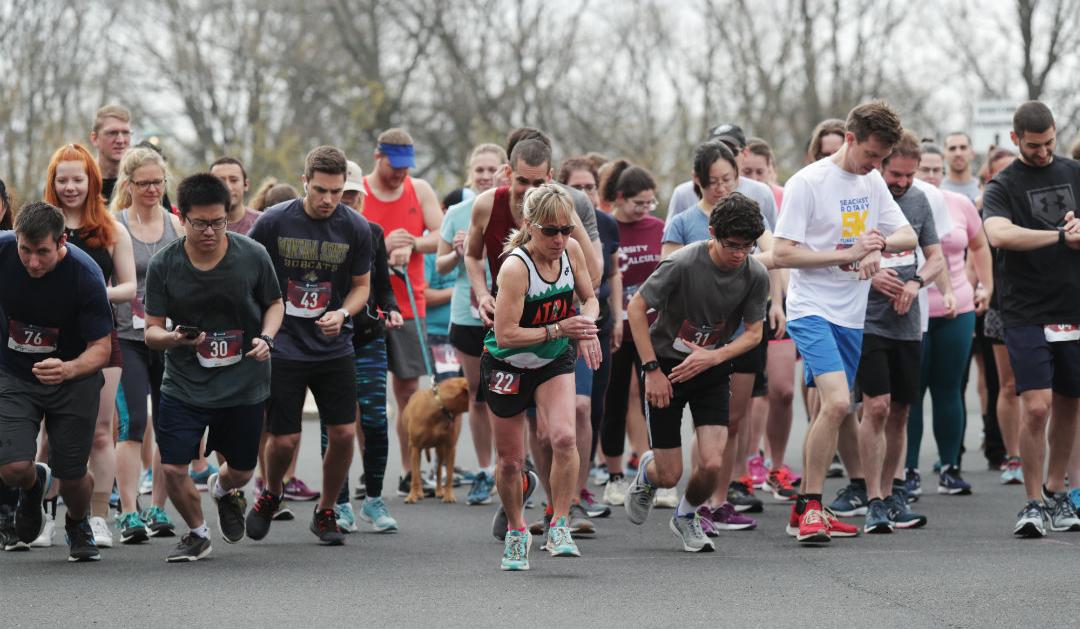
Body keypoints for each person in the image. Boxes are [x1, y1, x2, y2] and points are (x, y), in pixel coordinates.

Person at [773, 100, 916, 543]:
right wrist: (846, 254)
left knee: (838, 408)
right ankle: (812, 506)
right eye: (871, 155)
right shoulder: (808, 183)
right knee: (836, 403)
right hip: (812, 307)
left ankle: (805, 510)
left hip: (852, 315)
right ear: (850, 138)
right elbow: (782, 254)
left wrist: (878, 247)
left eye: (882, 159)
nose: (876, 166)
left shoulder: (872, 181)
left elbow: (908, 234)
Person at [467, 131, 601, 541]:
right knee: (510, 460)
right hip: (508, 353)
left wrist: (585, 326)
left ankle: (560, 519)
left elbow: (591, 291)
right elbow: (505, 333)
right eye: (550, 231)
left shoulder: (568, 237)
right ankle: (516, 524)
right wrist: (482, 293)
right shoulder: (509, 255)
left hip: (552, 353)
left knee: (562, 433)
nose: (559, 239)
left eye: (565, 230)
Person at [144, 174, 283, 562]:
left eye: (218, 222)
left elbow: (275, 303)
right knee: (173, 468)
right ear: (181, 217)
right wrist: (173, 338)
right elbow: (151, 330)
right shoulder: (164, 264)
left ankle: (224, 492)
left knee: (240, 472)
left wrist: (267, 338)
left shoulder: (252, 254)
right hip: (186, 382)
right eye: (200, 223)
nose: (210, 231)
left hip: (243, 382)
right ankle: (197, 532)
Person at [623, 193, 769, 551]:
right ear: (712, 232)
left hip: (711, 366)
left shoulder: (755, 273)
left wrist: (714, 357)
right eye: (732, 245)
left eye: (747, 247)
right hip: (666, 367)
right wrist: (651, 369)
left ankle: (687, 515)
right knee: (669, 474)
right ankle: (648, 473)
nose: (739, 254)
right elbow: (637, 307)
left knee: (712, 463)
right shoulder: (683, 263)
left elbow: (754, 333)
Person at [246, 146, 372, 546]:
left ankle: (327, 509)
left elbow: (361, 287)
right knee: (283, 439)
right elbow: (247, 271)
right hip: (285, 344)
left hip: (333, 347)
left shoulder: (355, 227)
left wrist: (343, 315)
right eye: (320, 190)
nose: (328, 200)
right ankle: (271, 492)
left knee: (344, 434)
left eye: (336, 191)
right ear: (304, 182)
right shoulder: (273, 222)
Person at [662, 140, 785, 526]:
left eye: (728, 179)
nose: (721, 187)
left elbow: (774, 255)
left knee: (734, 418)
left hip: (744, 325)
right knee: (706, 419)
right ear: (698, 181)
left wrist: (776, 302)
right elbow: (667, 274)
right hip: (695, 335)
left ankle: (719, 497)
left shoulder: (750, 214)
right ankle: (698, 498)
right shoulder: (683, 221)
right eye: (713, 181)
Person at [981, 101, 1080, 537]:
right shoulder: (1002, 184)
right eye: (1034, 145)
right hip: (1024, 309)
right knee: (1036, 405)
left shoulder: (1074, 172)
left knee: (1069, 401)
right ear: (1015, 138)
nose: (1043, 153)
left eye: (1049, 143)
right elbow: (998, 233)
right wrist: (1060, 235)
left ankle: (1057, 492)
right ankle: (1032, 502)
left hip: (1072, 305)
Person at [0, 201, 114, 562]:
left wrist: (68, 369)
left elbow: (102, 349)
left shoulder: (85, 273)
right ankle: (34, 486)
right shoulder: (2, 252)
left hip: (72, 378)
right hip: (15, 373)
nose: (33, 262)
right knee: (13, 468)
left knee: (73, 474)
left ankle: (77, 523)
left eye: (43, 252)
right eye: (25, 250)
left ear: (61, 242)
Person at [852, 130, 947, 533]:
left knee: (901, 411)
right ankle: (871, 498)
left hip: (907, 324)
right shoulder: (865, 197)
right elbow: (840, 256)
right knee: (875, 406)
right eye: (896, 174)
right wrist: (871, 277)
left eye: (909, 176)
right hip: (866, 319)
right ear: (882, 164)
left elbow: (936, 258)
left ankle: (891, 495)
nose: (903, 182)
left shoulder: (920, 200)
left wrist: (916, 283)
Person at [44, 144, 136, 546]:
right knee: (49, 433)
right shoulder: (42, 224)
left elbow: (130, 286)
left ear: (91, 181)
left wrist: (93, 293)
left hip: (101, 337)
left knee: (101, 432)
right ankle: (46, 516)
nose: (70, 187)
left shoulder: (112, 228)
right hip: (50, 341)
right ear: (53, 182)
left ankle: (98, 517)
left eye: (77, 179)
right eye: (62, 179)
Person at [904, 145, 994, 496]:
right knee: (912, 392)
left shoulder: (958, 204)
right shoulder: (902, 202)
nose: (929, 176)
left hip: (957, 307)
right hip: (912, 308)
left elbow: (979, 244)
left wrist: (984, 285)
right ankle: (908, 469)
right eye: (922, 169)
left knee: (949, 389)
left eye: (934, 169)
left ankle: (950, 467)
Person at [360, 128, 443, 494]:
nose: (400, 174)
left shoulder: (419, 189)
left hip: (410, 304)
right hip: (367, 303)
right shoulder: (358, 189)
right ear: (378, 157)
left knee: (409, 391)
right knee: (367, 394)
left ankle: (411, 471)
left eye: (405, 167)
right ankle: (370, 471)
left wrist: (412, 243)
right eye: (394, 166)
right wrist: (380, 244)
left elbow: (441, 235)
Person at [325, 159, 403, 532]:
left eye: (355, 196)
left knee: (374, 419)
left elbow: (382, 285)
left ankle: (373, 500)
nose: (350, 202)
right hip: (327, 339)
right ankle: (337, 503)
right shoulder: (317, 232)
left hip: (369, 337)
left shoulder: (372, 232)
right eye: (346, 196)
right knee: (335, 424)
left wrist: (392, 309)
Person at [112, 148, 184, 540]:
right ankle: (128, 512)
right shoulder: (115, 225)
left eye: (158, 182)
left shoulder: (177, 225)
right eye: (144, 183)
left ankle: (158, 508)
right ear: (129, 185)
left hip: (169, 338)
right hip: (128, 338)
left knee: (170, 424)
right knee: (134, 422)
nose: (153, 189)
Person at [438, 144, 509, 507]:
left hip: (509, 312)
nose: (484, 175)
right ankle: (485, 470)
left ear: (503, 171)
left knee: (511, 392)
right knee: (478, 394)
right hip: (467, 315)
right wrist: (457, 250)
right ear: (470, 171)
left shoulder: (513, 207)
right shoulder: (458, 212)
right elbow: (440, 267)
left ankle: (510, 467)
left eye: (491, 169)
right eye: (478, 169)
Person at [557, 156, 620, 524]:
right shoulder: (529, 239)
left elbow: (601, 280)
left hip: (587, 323)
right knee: (545, 427)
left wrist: (593, 323)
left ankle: (574, 497)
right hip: (542, 331)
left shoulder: (595, 225)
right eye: (576, 187)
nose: (583, 193)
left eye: (589, 187)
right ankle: (553, 499)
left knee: (585, 408)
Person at [599, 161, 664, 508]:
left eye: (650, 203)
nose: (644, 210)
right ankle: (614, 476)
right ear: (620, 198)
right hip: (616, 329)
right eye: (639, 203)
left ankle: (660, 475)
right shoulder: (607, 227)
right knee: (615, 400)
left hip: (653, 330)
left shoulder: (659, 228)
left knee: (656, 401)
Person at [665, 124, 778, 232]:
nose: (720, 189)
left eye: (730, 151)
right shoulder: (683, 193)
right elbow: (671, 239)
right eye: (711, 182)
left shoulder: (762, 192)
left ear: (745, 153)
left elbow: (773, 242)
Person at [89, 104, 132, 201]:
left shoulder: (142, 182)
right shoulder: (79, 182)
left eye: (125, 133)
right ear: (95, 138)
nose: (120, 140)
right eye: (112, 133)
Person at [210, 157, 261, 235]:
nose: (228, 187)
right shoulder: (198, 226)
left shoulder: (262, 222)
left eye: (234, 180)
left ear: (246, 184)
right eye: (220, 181)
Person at [942, 132, 982, 202]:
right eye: (952, 148)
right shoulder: (937, 189)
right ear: (944, 155)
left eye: (963, 148)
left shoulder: (984, 190)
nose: (958, 153)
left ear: (972, 154)